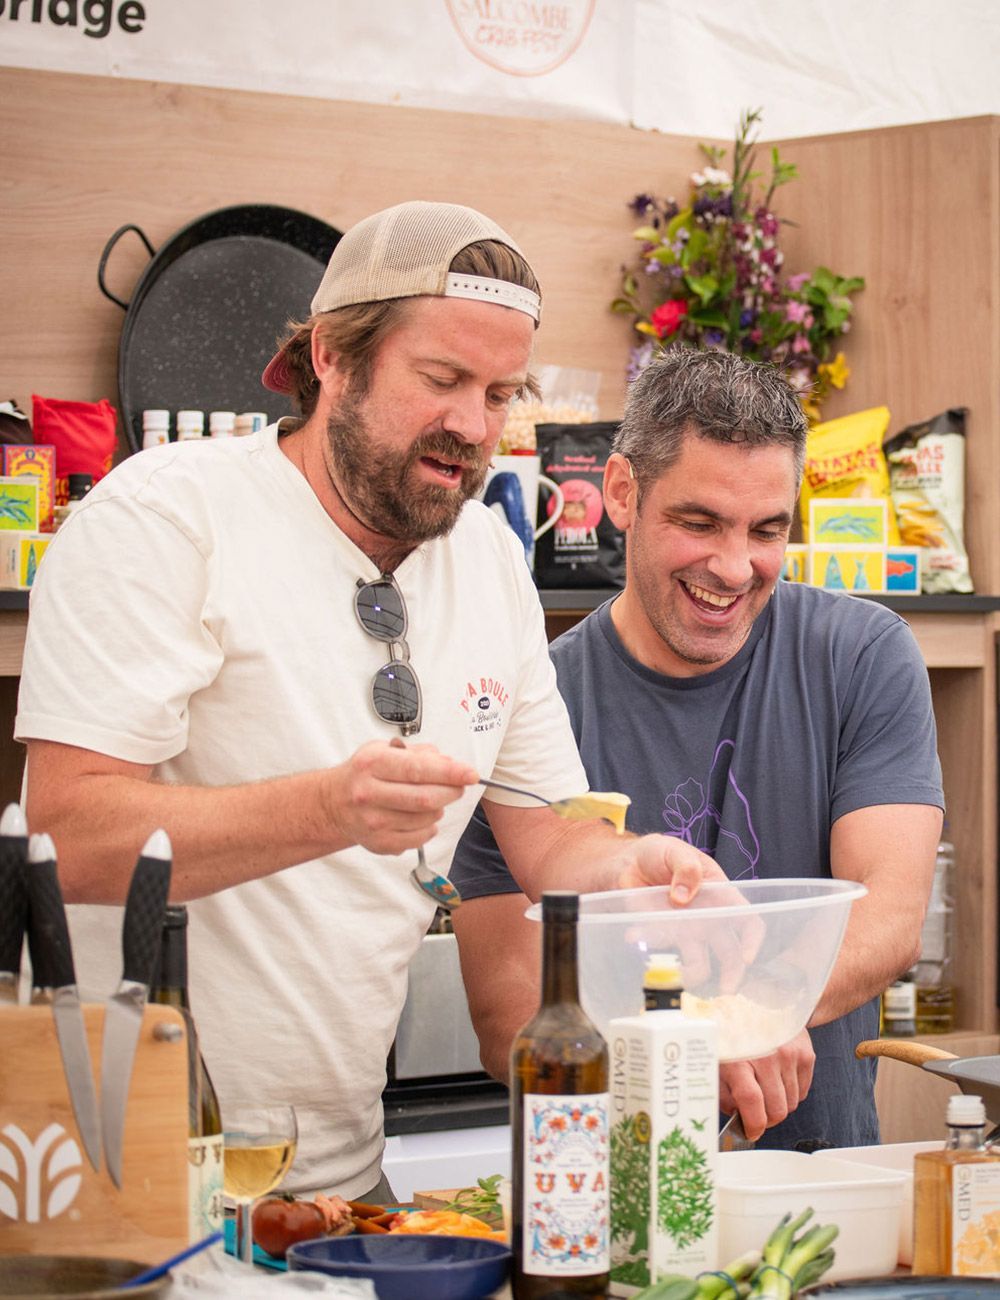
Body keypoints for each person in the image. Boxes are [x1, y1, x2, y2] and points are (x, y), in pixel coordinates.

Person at [14, 201, 722, 1200]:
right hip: (118, 1179)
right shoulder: (164, 517)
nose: (472, 425)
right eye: (441, 379)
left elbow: (550, 833)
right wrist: (325, 809)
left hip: (340, 1181)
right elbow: (68, 840)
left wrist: (625, 866)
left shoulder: (488, 558)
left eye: (499, 393)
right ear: (331, 358)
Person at [451, 347, 944, 1151]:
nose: (734, 567)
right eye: (699, 523)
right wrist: (682, 1051)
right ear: (622, 492)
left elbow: (889, 916)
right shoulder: (529, 702)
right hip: (606, 1193)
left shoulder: (862, 655)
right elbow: (507, 1007)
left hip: (819, 1181)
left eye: (766, 530)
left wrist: (753, 1014)